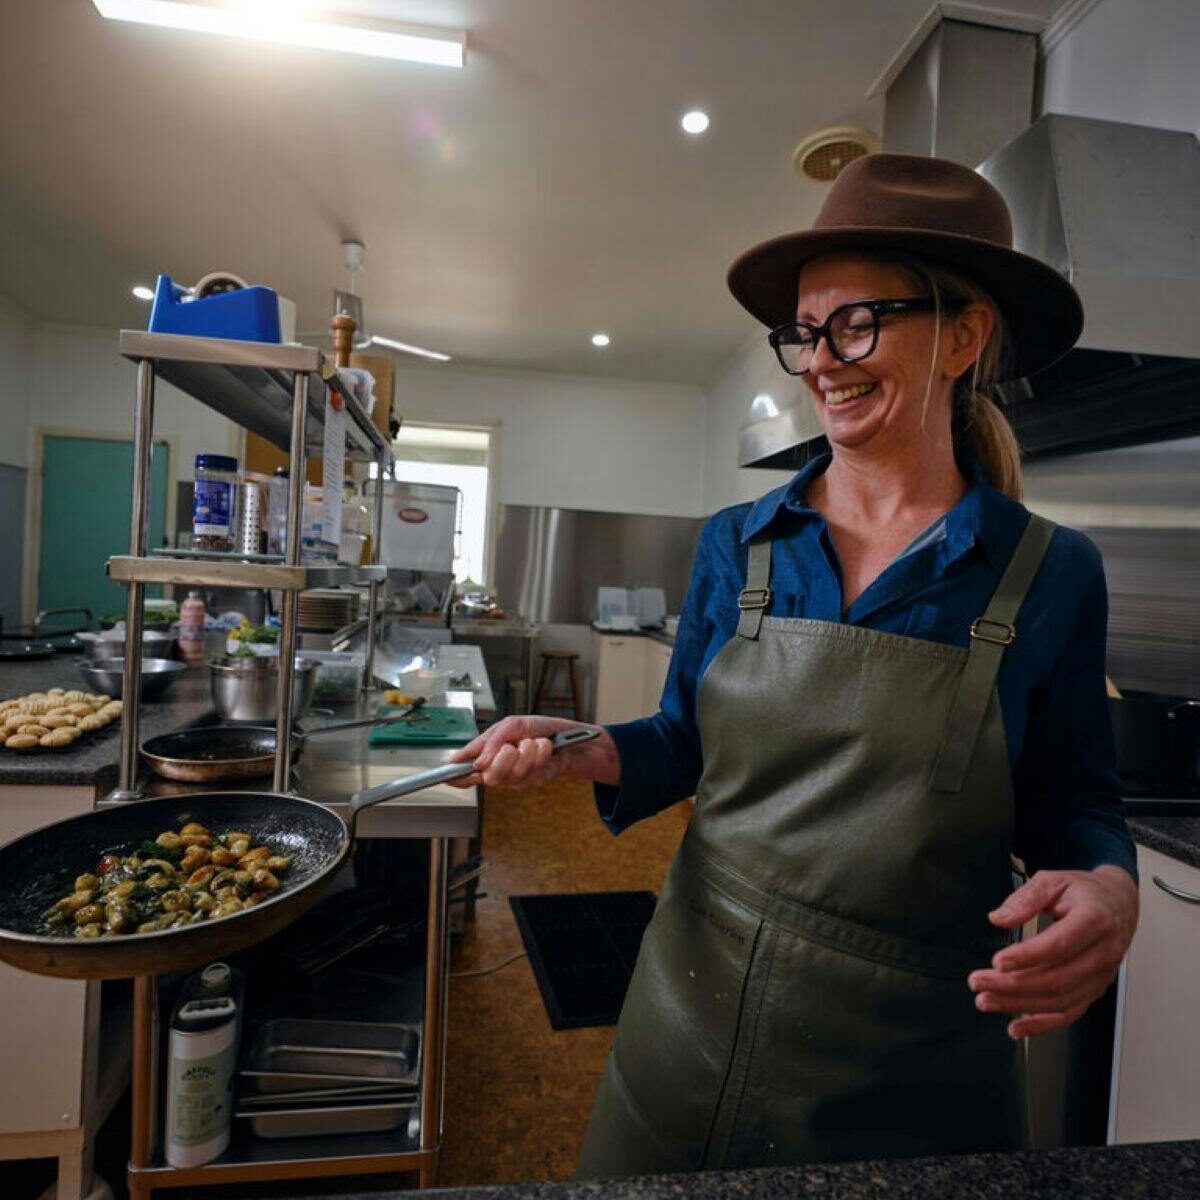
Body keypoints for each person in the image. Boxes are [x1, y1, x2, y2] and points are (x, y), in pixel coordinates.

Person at [448, 154, 1139, 1177]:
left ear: (964, 335)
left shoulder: (1049, 574)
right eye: (806, 333)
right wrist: (577, 747)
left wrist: (1110, 887)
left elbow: (1074, 802)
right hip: (689, 1011)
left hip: (912, 1068)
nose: (821, 361)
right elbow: (685, 742)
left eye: (856, 323)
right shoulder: (742, 542)